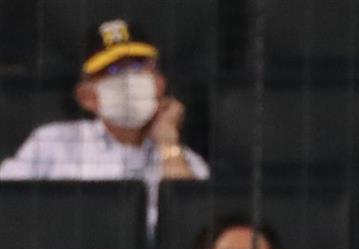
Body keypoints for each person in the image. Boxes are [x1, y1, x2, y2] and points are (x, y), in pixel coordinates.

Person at [0, 17, 208, 233]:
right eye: (113, 70)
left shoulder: (183, 161)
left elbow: (196, 234)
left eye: (138, 66)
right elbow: (6, 206)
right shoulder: (51, 143)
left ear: (160, 84)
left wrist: (168, 143)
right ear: (87, 97)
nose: (129, 79)